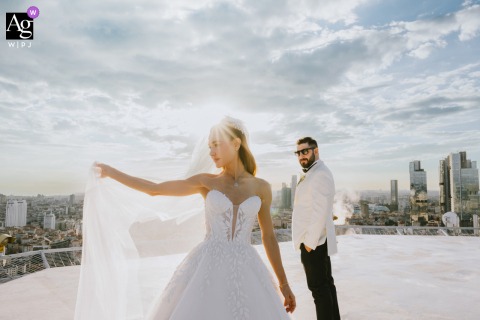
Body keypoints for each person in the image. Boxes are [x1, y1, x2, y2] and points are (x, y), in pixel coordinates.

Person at [91, 117, 295, 319]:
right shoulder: (206, 182)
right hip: (208, 265)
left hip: (247, 267)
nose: (211, 152)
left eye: (216, 145)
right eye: (209, 146)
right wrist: (111, 172)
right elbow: (154, 190)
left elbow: (269, 237)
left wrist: (284, 284)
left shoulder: (261, 187)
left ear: (236, 143)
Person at [291, 137, 340, 320]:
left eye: (306, 151)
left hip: (315, 241)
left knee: (319, 290)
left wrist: (309, 243)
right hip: (316, 240)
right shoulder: (315, 172)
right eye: (299, 152)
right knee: (326, 285)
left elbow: (321, 211)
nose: (302, 156)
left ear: (316, 151)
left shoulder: (320, 174)